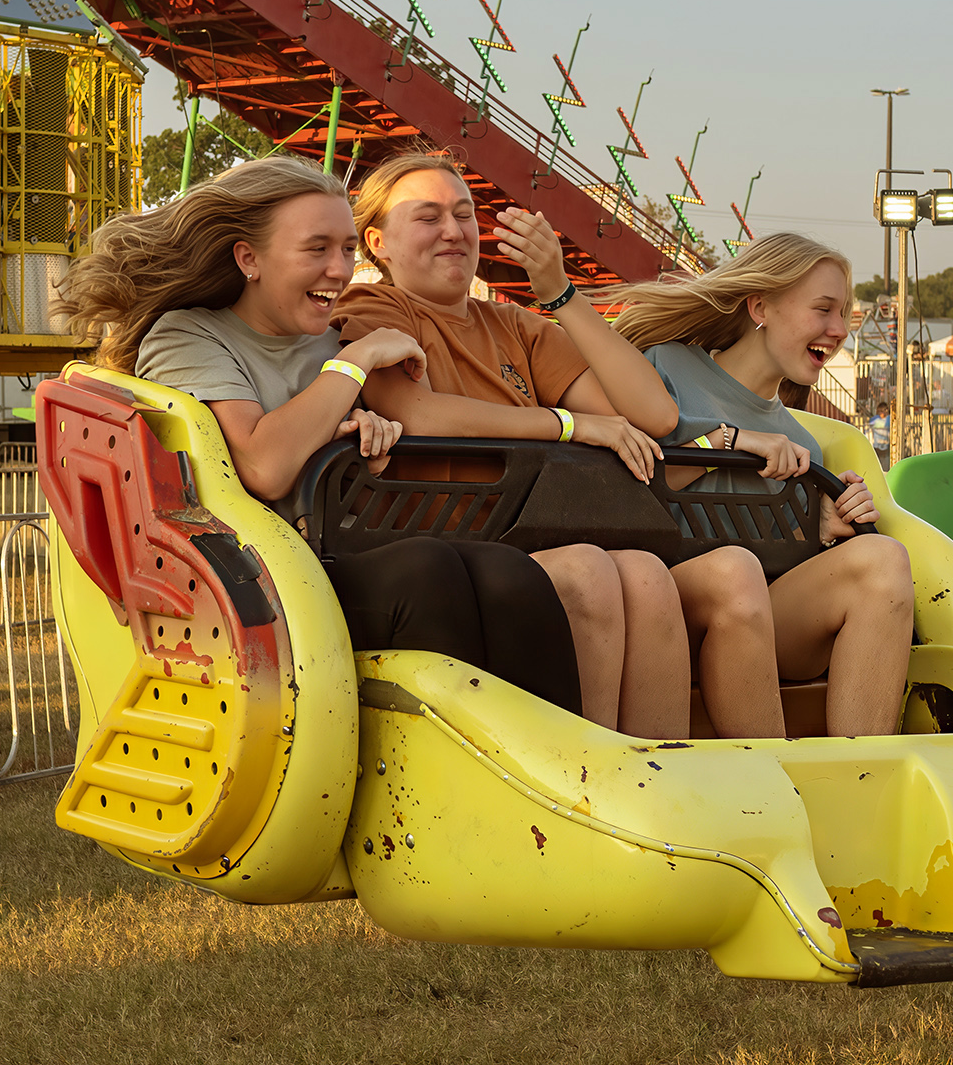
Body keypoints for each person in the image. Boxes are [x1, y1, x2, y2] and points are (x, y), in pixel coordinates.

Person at [52, 155, 583, 715]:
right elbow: (263, 463)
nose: (340, 270)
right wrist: (353, 366)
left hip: (331, 551)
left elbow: (342, 448)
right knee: (425, 571)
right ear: (249, 258)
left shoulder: (326, 341)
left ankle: (559, 768)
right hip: (254, 582)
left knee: (511, 574)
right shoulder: (189, 336)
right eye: (317, 249)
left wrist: (363, 437)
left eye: (349, 249)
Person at [334, 153, 809, 739]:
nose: (455, 231)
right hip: (453, 546)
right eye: (428, 217)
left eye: (464, 214)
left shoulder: (517, 326)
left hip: (532, 529)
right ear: (378, 242)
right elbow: (420, 413)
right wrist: (567, 425)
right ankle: (593, 783)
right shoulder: (374, 308)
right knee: (588, 570)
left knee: (644, 573)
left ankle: (661, 780)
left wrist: (559, 292)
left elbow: (652, 414)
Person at [601, 232, 915, 739]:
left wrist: (825, 528)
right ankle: (772, 778)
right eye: (824, 309)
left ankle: (862, 779)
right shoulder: (667, 366)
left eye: (844, 315)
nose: (839, 330)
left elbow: (777, 558)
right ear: (760, 306)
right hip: (662, 599)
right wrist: (731, 443)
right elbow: (635, 480)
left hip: (756, 616)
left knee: (885, 562)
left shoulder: (802, 441)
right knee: (734, 571)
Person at [868, 401, 890, 469]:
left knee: (886, 466)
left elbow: (887, 424)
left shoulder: (889, 418)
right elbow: (871, 423)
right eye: (880, 411)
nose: (882, 413)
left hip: (886, 444)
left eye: (883, 411)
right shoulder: (876, 418)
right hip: (877, 445)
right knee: (878, 465)